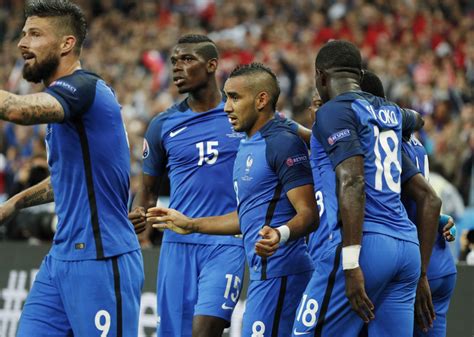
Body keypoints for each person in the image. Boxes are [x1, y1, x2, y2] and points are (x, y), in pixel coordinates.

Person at [0, 1, 144, 336]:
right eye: (22, 34)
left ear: (66, 44)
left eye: (35, 34)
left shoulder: (83, 88)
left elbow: (18, 110)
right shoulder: (67, 106)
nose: (23, 43)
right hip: (61, 259)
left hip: (103, 257)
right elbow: (65, 179)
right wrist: (16, 202)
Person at [149, 63, 318, 336]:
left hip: (284, 273)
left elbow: (309, 213)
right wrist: (191, 224)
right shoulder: (247, 144)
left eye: (235, 98)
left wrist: (280, 233)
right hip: (264, 275)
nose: (227, 107)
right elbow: (247, 217)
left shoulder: (282, 142)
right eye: (227, 97)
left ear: (262, 99)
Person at [291, 40, 422, 337]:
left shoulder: (334, 110)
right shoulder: (390, 111)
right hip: (405, 246)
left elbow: (353, 180)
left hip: (365, 243)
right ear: (359, 75)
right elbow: (418, 119)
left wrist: (350, 262)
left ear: (320, 76)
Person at [129, 34, 246, 337]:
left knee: (205, 330)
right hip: (177, 245)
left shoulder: (242, 116)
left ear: (212, 65)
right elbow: (148, 191)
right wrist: (137, 219)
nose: (177, 68)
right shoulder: (162, 125)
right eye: (173, 62)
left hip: (226, 240)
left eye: (187, 60)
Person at [361, 70, 457, 337]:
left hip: (414, 265)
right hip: (440, 262)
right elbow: (414, 201)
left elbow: (426, 199)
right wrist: (440, 221)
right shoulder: (412, 141)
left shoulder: (383, 142)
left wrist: (420, 275)